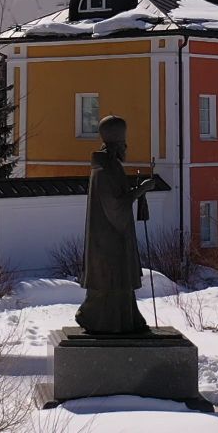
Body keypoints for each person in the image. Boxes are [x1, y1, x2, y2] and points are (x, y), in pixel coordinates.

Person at [76, 114, 157, 335]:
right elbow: (115, 205)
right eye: (123, 143)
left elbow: (119, 199)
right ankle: (92, 317)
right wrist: (142, 190)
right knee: (108, 283)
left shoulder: (112, 166)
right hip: (108, 240)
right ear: (115, 144)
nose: (126, 146)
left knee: (119, 282)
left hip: (116, 237)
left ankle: (126, 320)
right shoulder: (103, 170)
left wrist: (138, 190)